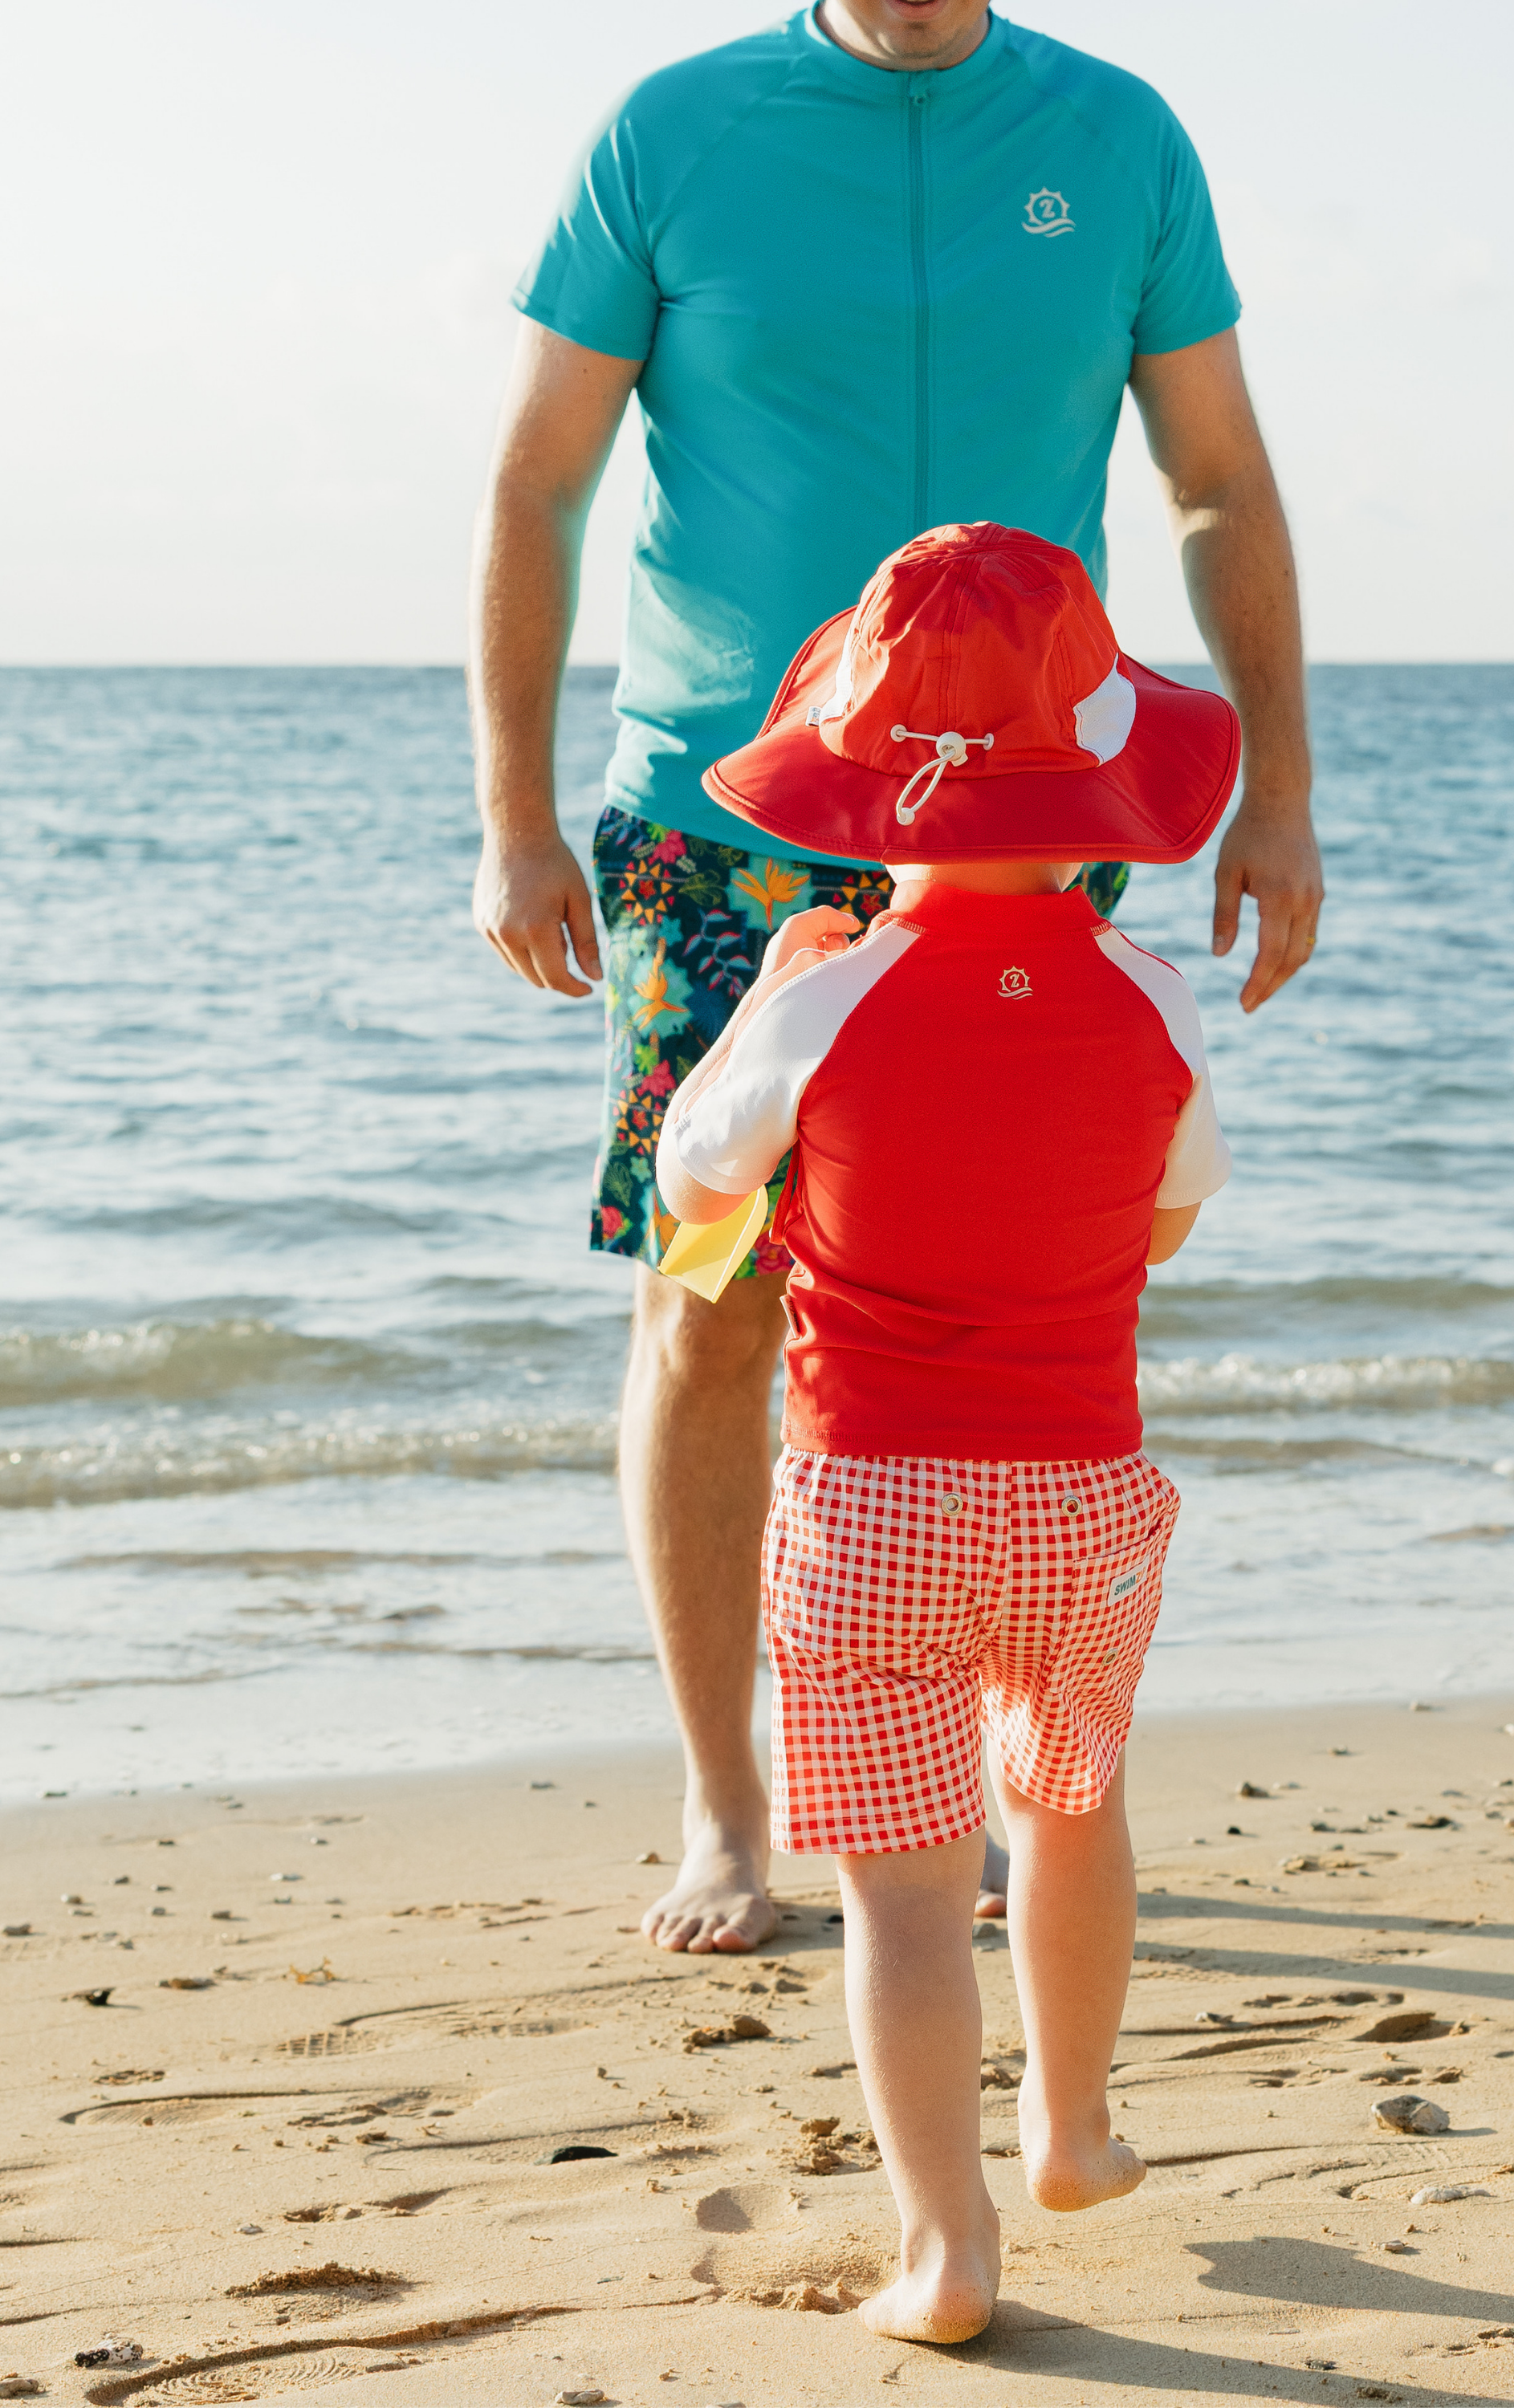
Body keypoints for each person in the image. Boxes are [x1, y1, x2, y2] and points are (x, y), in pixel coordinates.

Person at [468, 0, 1320, 1954]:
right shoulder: (670, 132)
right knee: (712, 1300)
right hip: (724, 809)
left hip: (1042, 804)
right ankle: (726, 1805)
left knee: (1027, 1305)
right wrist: (515, 812)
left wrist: (1276, 785)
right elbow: (539, 481)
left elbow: (1215, 477)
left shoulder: (1116, 138)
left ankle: (1029, 1785)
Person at [652, 520, 1235, 2340]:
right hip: (1085, 1498)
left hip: (871, 1514)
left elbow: (695, 1180)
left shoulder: (825, 995)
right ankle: (1074, 2125)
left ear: (865, 789)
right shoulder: (1150, 997)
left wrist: (762, 1005)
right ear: (1101, 787)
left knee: (905, 1909)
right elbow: (1170, 1209)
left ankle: (945, 2251)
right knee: (1072, 1813)